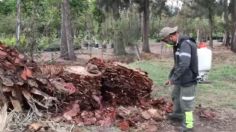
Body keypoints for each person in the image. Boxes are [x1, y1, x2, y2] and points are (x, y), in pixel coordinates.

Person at [159, 26, 198, 132]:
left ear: (171, 36)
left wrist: (173, 78)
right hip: (181, 78)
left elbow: (184, 64)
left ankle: (189, 126)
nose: (167, 43)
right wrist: (171, 77)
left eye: (166, 40)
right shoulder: (178, 45)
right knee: (175, 96)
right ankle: (178, 115)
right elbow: (177, 64)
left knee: (187, 104)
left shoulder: (185, 44)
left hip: (188, 79)